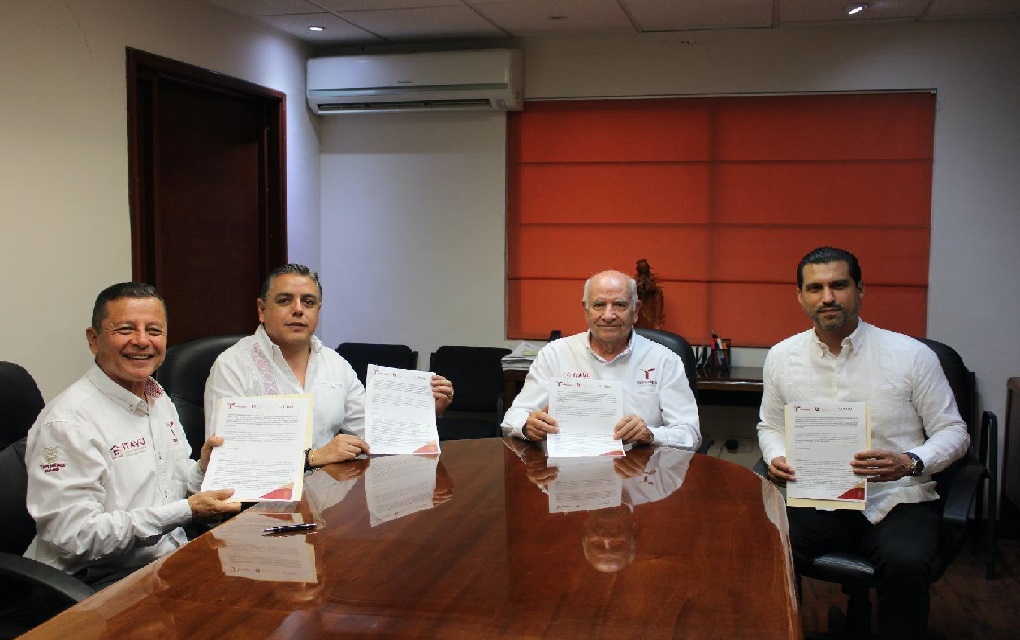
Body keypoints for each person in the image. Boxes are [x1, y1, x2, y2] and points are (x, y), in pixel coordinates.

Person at [756, 246, 969, 640]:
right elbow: (769, 426)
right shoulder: (782, 357)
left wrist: (910, 461)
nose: (827, 297)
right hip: (818, 498)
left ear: (860, 289)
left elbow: (954, 432)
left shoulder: (911, 356)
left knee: (905, 564)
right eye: (815, 288)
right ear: (800, 296)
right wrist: (777, 456)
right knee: (765, 549)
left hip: (896, 499)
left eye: (839, 285)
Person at [24, 283, 240, 587]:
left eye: (154, 331)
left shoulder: (157, 396)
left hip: (165, 560)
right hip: (96, 582)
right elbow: (74, 537)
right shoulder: (68, 423)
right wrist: (186, 511)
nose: (142, 341)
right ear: (94, 340)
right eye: (125, 329)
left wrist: (204, 469)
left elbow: (172, 490)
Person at [204, 264, 454, 469]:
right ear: (262, 310)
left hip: (325, 497)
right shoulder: (232, 366)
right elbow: (227, 458)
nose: (298, 310)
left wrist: (423, 412)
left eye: (308, 302)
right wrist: (311, 457)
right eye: (285, 300)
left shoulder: (335, 364)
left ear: (318, 310)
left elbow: (372, 433)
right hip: (258, 505)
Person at [501, 269, 700, 450]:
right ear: (586, 310)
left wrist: (651, 434)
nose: (608, 315)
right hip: (567, 469)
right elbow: (513, 417)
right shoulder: (555, 354)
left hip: (640, 470)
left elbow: (689, 434)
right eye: (599, 305)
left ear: (636, 310)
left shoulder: (665, 360)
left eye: (620, 305)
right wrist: (527, 426)